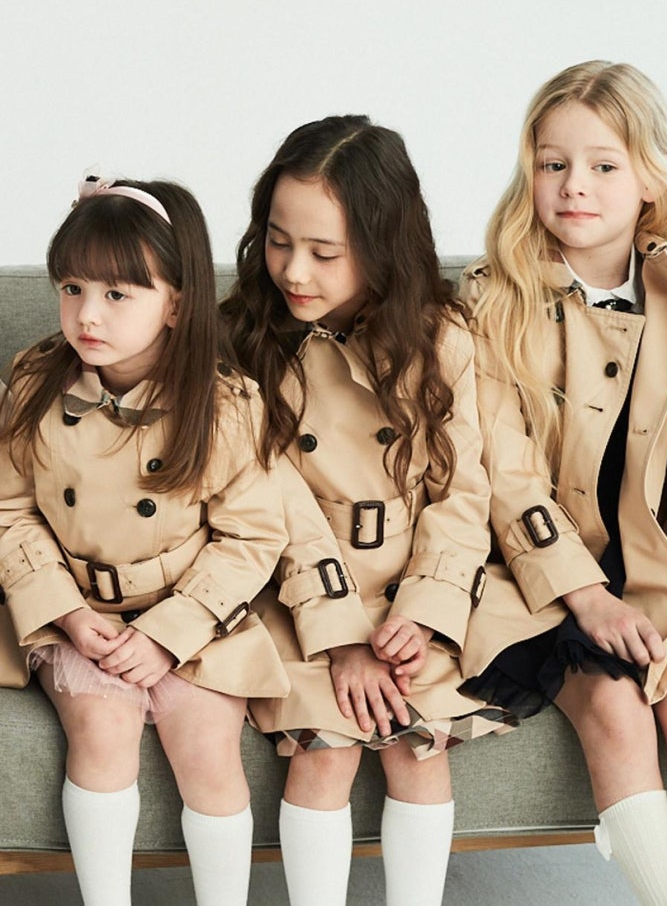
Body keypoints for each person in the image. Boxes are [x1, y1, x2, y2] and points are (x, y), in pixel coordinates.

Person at [0, 177, 339, 906]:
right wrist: (68, 614)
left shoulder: (223, 405)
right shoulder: (33, 386)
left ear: (176, 305)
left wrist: (167, 633)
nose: (87, 314)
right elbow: (10, 512)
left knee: (208, 749)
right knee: (101, 727)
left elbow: (250, 537)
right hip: (80, 610)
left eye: (118, 294)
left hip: (193, 614)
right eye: (72, 288)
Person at [460, 61, 667, 906]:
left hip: (647, 564)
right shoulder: (490, 301)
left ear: (651, 178)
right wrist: (586, 597)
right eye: (552, 164)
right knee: (616, 707)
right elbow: (504, 475)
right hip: (529, 571)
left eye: (602, 164)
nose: (572, 184)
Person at [220, 115, 514, 906]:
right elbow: (272, 503)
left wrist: (423, 612)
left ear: (384, 246)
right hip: (300, 594)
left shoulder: (443, 339)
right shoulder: (244, 340)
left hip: (409, 592)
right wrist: (344, 636)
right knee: (325, 750)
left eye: (324, 252)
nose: (293, 270)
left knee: (419, 748)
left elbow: (461, 494)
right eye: (278, 241)